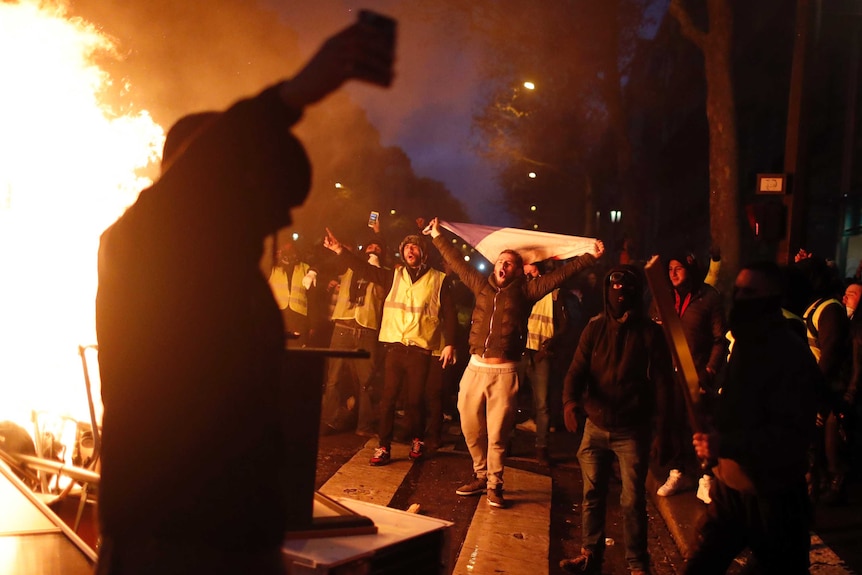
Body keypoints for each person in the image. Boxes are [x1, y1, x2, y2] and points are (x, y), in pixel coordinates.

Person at [94, 20, 394, 575]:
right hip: (167, 534)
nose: (268, 217)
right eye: (251, 188)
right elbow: (199, 176)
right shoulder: (140, 241)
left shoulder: (226, 267)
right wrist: (293, 95)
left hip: (236, 531)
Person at [424, 217, 603, 509]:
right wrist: (436, 236)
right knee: (470, 427)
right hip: (475, 369)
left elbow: (560, 275)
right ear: (495, 266)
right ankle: (480, 475)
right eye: (501, 262)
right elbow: (457, 262)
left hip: (504, 373)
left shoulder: (527, 292)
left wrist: (588, 257)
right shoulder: (481, 286)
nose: (503, 267)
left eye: (509, 264)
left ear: (518, 270)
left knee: (497, 434)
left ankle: (495, 484)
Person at [683, 261, 821, 574]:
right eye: (738, 290)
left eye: (751, 292)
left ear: (773, 298)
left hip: (773, 497)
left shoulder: (789, 354)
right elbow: (740, 410)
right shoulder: (745, 344)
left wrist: (725, 443)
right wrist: (707, 405)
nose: (741, 298)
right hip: (730, 490)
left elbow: (790, 437)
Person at [559, 266, 674, 575]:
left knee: (632, 499)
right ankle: (589, 553)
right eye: (614, 288)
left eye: (625, 290)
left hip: (632, 430)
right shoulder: (595, 329)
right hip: (595, 424)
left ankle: (637, 564)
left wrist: (662, 431)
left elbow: (664, 385)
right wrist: (570, 402)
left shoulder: (650, 333)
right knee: (591, 494)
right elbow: (577, 369)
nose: (618, 295)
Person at [323, 228, 456, 466]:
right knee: (387, 400)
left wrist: (451, 344)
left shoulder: (438, 279)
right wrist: (339, 250)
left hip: (419, 349)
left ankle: (417, 440)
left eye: (414, 247)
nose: (410, 251)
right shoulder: (393, 276)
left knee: (415, 401)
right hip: (394, 347)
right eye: (406, 248)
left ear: (423, 252)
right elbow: (363, 268)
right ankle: (383, 446)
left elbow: (449, 313)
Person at [656, 252, 727, 504]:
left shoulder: (708, 297)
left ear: (691, 268)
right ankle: (678, 471)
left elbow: (720, 340)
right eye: (670, 268)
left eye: (679, 268)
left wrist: (708, 371)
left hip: (696, 373)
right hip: (670, 374)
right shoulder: (665, 298)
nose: (673, 273)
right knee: (673, 422)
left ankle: (706, 476)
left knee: (699, 424)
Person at [319, 231, 387, 436]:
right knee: (333, 379)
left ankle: (363, 425)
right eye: (370, 247)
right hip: (343, 329)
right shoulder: (350, 265)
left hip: (366, 330)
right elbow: (329, 264)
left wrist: (378, 232)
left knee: (366, 382)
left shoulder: (384, 274)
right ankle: (330, 421)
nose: (373, 250)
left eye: (377, 248)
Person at [517, 260, 563, 466]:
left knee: (542, 403)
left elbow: (565, 322)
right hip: (520, 350)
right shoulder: (519, 285)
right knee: (509, 398)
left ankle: (541, 447)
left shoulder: (552, 289)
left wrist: (549, 346)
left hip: (541, 352)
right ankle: (505, 442)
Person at [268, 241, 318, 346]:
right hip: (278, 317)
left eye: (290, 249)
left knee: (297, 350)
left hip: (299, 318)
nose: (288, 254)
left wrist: (312, 324)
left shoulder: (305, 268)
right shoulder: (273, 269)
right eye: (284, 249)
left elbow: (312, 300)